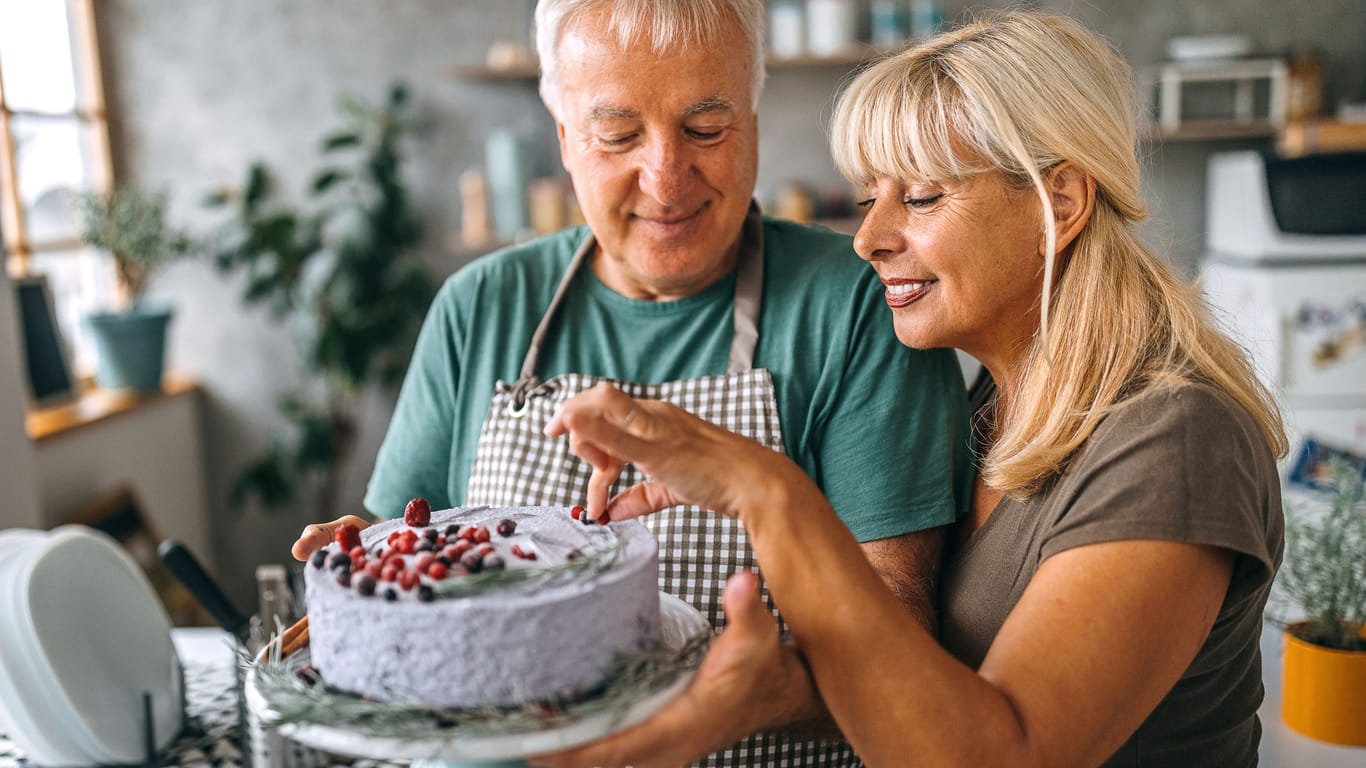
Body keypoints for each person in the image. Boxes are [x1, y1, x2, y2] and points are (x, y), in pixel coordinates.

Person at [535, 10, 1288, 768]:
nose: (869, 239)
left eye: (923, 198)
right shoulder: (998, 409)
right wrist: (767, 697)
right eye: (872, 198)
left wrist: (764, 490)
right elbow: (921, 702)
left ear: (1059, 202)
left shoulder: (1176, 439)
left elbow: (1000, 755)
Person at [291, 0, 972, 764]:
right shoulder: (480, 307)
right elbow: (408, 577)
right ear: (563, 137)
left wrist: (758, 695)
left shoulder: (857, 305)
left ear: (752, 115)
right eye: (617, 135)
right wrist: (365, 564)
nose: (666, 178)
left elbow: (903, 644)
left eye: (705, 129)